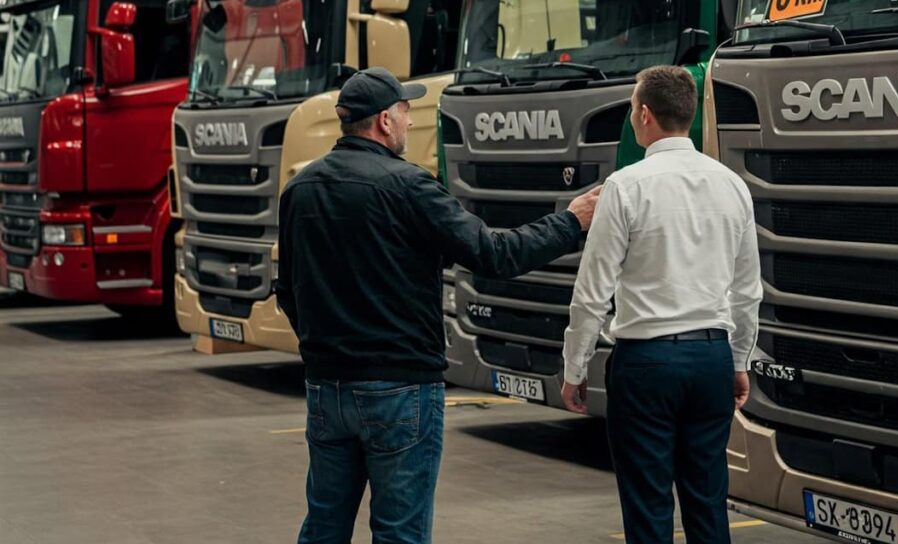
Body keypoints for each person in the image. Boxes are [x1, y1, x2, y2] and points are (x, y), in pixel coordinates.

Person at [276, 66, 601, 544]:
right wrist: (570, 222)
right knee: (400, 533)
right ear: (384, 120)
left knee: (324, 527)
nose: (410, 122)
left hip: (327, 389)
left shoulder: (300, 189)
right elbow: (495, 254)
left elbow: (288, 289)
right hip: (400, 389)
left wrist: (325, 349)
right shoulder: (409, 187)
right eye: (406, 111)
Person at [561, 65, 762, 544]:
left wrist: (575, 367)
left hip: (645, 364)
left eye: (633, 107)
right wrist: (738, 360)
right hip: (711, 358)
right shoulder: (732, 184)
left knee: (648, 507)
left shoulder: (626, 186)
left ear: (645, 115)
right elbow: (747, 289)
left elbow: (593, 289)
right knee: (708, 502)